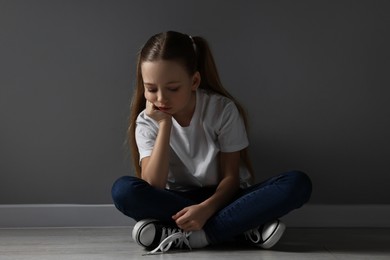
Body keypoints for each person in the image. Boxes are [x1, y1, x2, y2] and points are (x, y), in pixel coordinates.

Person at [111, 31, 312, 254]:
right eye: (151, 89)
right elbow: (154, 184)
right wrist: (165, 124)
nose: (160, 98)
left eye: (173, 88)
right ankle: (243, 227)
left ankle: (196, 236)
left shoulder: (222, 110)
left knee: (297, 183)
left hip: (225, 197)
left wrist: (206, 210)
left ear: (194, 81)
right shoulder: (148, 120)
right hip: (177, 200)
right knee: (123, 191)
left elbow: (231, 178)